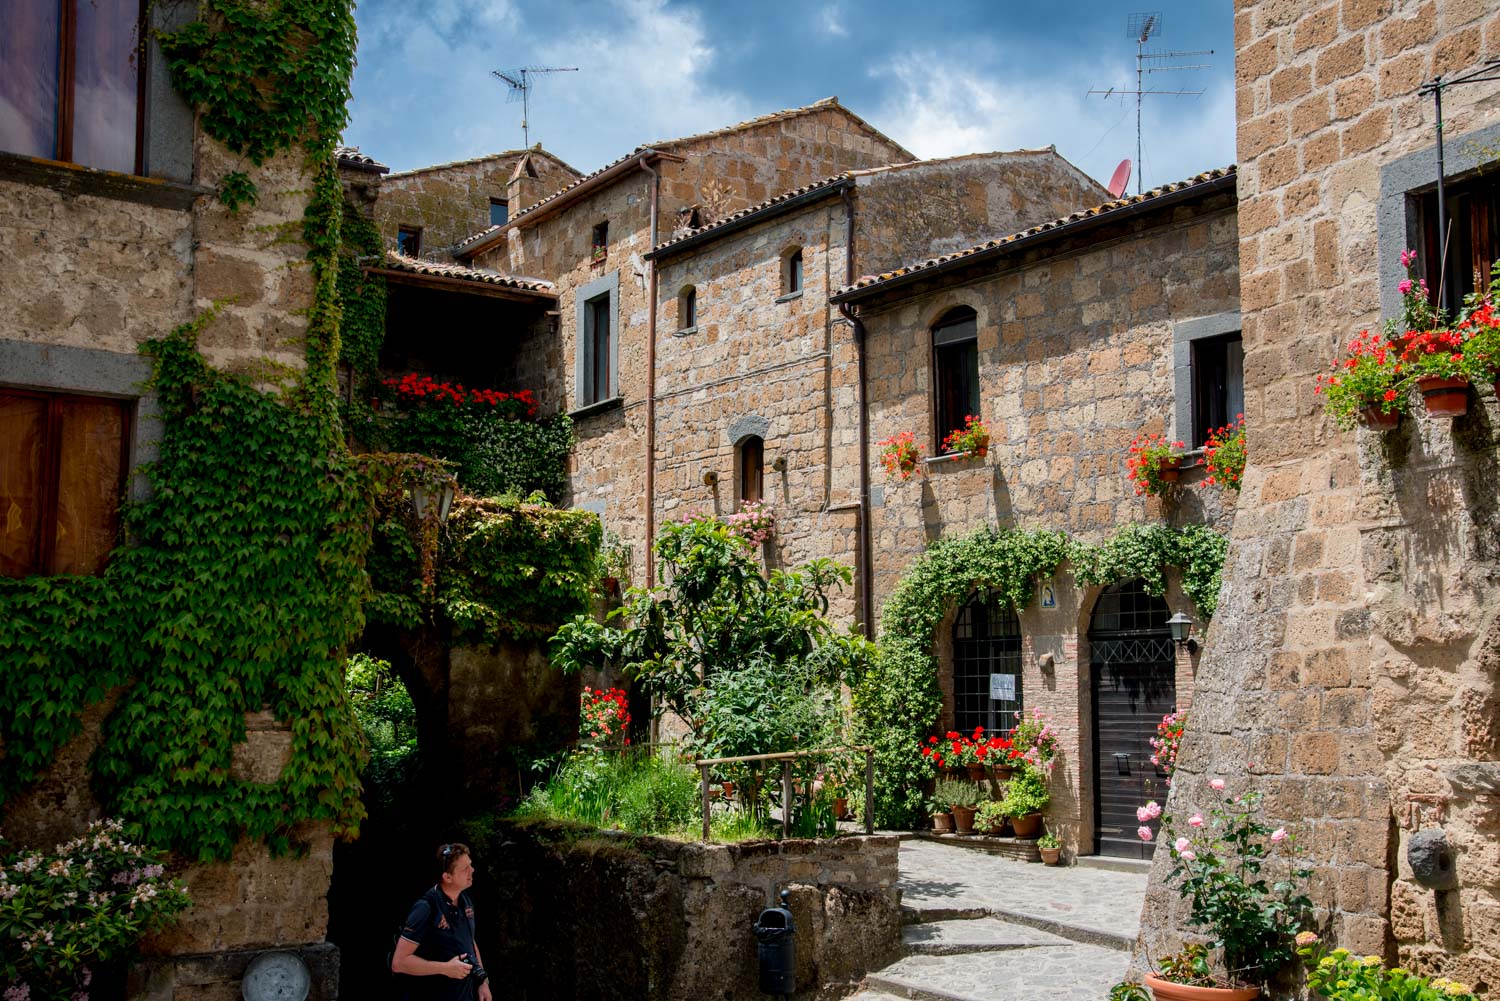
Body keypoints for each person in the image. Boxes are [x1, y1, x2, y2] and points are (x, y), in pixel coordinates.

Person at [391, 843, 492, 1001]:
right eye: (465, 868)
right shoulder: (425, 908)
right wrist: (445, 968)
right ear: (447, 877)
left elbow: (469, 941)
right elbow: (399, 962)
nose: (472, 870)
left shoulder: (465, 900)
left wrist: (483, 982)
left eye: (470, 865)